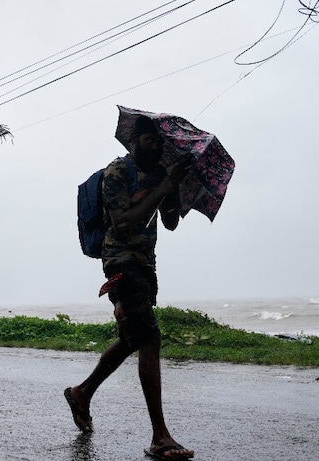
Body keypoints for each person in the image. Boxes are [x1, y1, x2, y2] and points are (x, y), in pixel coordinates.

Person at [64, 115, 195, 460]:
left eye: (160, 142)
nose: (156, 146)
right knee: (149, 337)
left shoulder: (156, 176)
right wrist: (162, 189)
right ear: (133, 140)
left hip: (145, 265)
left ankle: (82, 392)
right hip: (121, 262)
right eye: (150, 139)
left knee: (132, 338)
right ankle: (160, 437)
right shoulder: (117, 172)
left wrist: (174, 188)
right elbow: (122, 222)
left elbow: (168, 223)